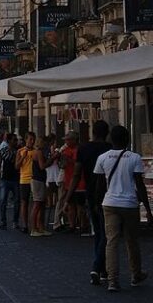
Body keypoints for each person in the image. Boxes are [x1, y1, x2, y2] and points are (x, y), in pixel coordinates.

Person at [93, 125, 153, 292]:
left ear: (111, 139)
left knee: (111, 242)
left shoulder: (102, 158)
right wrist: (147, 208)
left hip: (109, 203)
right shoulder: (134, 158)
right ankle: (135, 274)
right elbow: (139, 185)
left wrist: (97, 205)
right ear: (127, 139)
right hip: (129, 204)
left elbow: (99, 186)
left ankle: (112, 280)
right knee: (131, 241)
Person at [64, 120, 112, 286]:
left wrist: (67, 197)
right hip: (108, 195)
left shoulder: (83, 149)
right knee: (106, 234)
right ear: (107, 133)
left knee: (98, 233)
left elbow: (76, 174)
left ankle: (103, 269)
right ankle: (98, 267)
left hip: (91, 194)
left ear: (93, 132)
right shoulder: (110, 149)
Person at [60, 131, 86, 233]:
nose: (66, 142)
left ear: (74, 140)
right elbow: (62, 165)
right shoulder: (65, 150)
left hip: (79, 182)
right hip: (68, 181)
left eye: (67, 140)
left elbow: (79, 164)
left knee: (80, 205)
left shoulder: (79, 150)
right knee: (70, 204)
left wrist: (69, 160)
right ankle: (72, 225)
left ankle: (83, 225)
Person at [30, 136, 53, 237]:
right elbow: (42, 166)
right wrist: (51, 159)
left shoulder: (38, 152)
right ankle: (34, 228)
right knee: (37, 204)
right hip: (38, 180)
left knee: (42, 204)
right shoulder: (38, 152)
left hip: (40, 179)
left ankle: (41, 227)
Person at [0, 133, 20, 230]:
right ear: (9, 141)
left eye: (16, 140)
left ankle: (15, 221)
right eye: (14, 140)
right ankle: (3, 221)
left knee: (17, 201)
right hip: (5, 179)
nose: (16, 142)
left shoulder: (19, 151)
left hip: (16, 179)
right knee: (3, 201)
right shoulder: (4, 151)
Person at [15, 132, 37, 234]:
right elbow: (16, 166)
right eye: (30, 139)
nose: (32, 141)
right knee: (24, 203)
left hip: (35, 179)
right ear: (26, 140)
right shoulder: (20, 151)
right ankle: (25, 224)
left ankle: (34, 224)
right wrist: (23, 157)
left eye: (33, 139)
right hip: (24, 180)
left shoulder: (36, 151)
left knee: (34, 203)